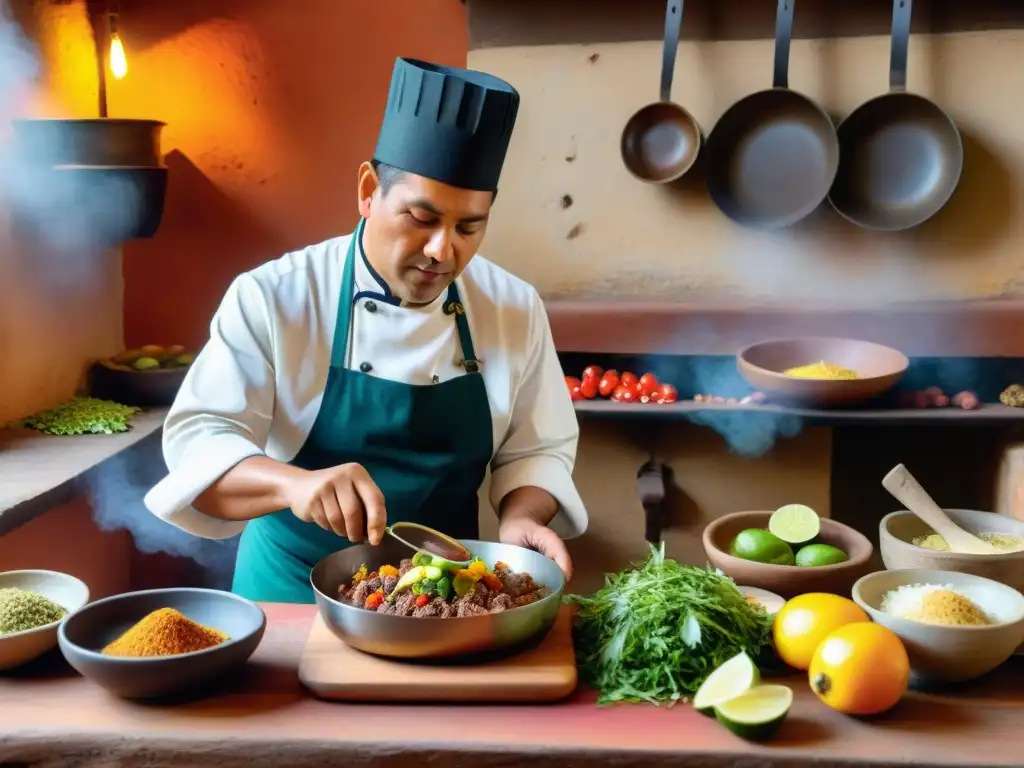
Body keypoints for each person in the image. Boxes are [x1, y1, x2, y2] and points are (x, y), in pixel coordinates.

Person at [143, 57, 588, 603]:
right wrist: (294, 484)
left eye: (470, 227)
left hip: (450, 598)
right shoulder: (276, 295)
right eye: (421, 219)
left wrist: (522, 515)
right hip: (291, 596)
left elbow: (536, 449)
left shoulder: (512, 306)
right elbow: (198, 445)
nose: (442, 251)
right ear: (369, 189)